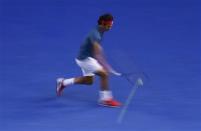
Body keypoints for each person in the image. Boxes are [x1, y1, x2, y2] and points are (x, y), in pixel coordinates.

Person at [56, 13, 121, 107]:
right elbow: (97, 54)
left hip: (86, 57)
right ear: (103, 22)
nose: (110, 28)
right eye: (109, 25)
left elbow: (97, 50)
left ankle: (63, 83)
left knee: (88, 81)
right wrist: (107, 67)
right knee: (104, 74)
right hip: (85, 59)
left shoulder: (100, 29)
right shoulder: (96, 34)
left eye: (111, 25)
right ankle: (105, 100)